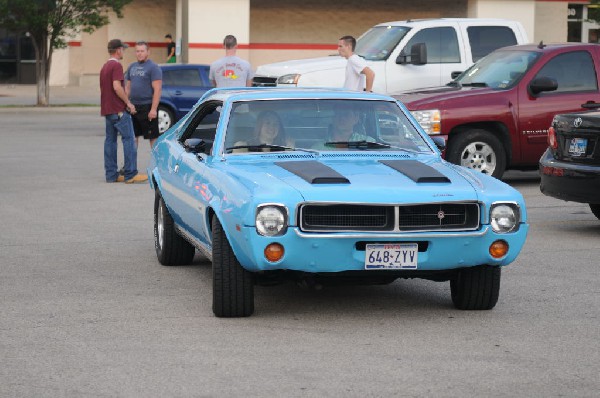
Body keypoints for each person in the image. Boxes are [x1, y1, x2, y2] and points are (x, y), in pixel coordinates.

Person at [99, 39, 147, 184]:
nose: (123, 52)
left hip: (107, 110)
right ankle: (130, 173)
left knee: (110, 142)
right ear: (118, 50)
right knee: (129, 140)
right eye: (123, 49)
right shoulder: (117, 66)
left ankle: (111, 175)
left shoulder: (104, 67)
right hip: (118, 110)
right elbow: (116, 87)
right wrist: (128, 103)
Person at [125, 41, 163, 148]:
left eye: (142, 51)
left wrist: (153, 109)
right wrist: (127, 104)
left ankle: (156, 164)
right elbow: (127, 88)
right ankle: (131, 164)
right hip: (133, 107)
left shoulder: (153, 67)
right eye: (137, 51)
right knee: (132, 137)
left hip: (147, 106)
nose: (140, 53)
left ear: (148, 52)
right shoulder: (132, 66)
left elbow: (158, 89)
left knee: (152, 137)